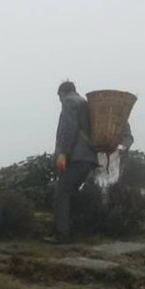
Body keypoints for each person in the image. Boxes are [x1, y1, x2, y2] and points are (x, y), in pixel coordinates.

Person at [48, 81, 98, 243]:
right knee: (71, 193)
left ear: (62, 93)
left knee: (61, 194)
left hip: (76, 157)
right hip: (89, 158)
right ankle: (77, 229)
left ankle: (62, 234)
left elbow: (68, 129)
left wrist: (63, 153)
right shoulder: (85, 104)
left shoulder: (70, 102)